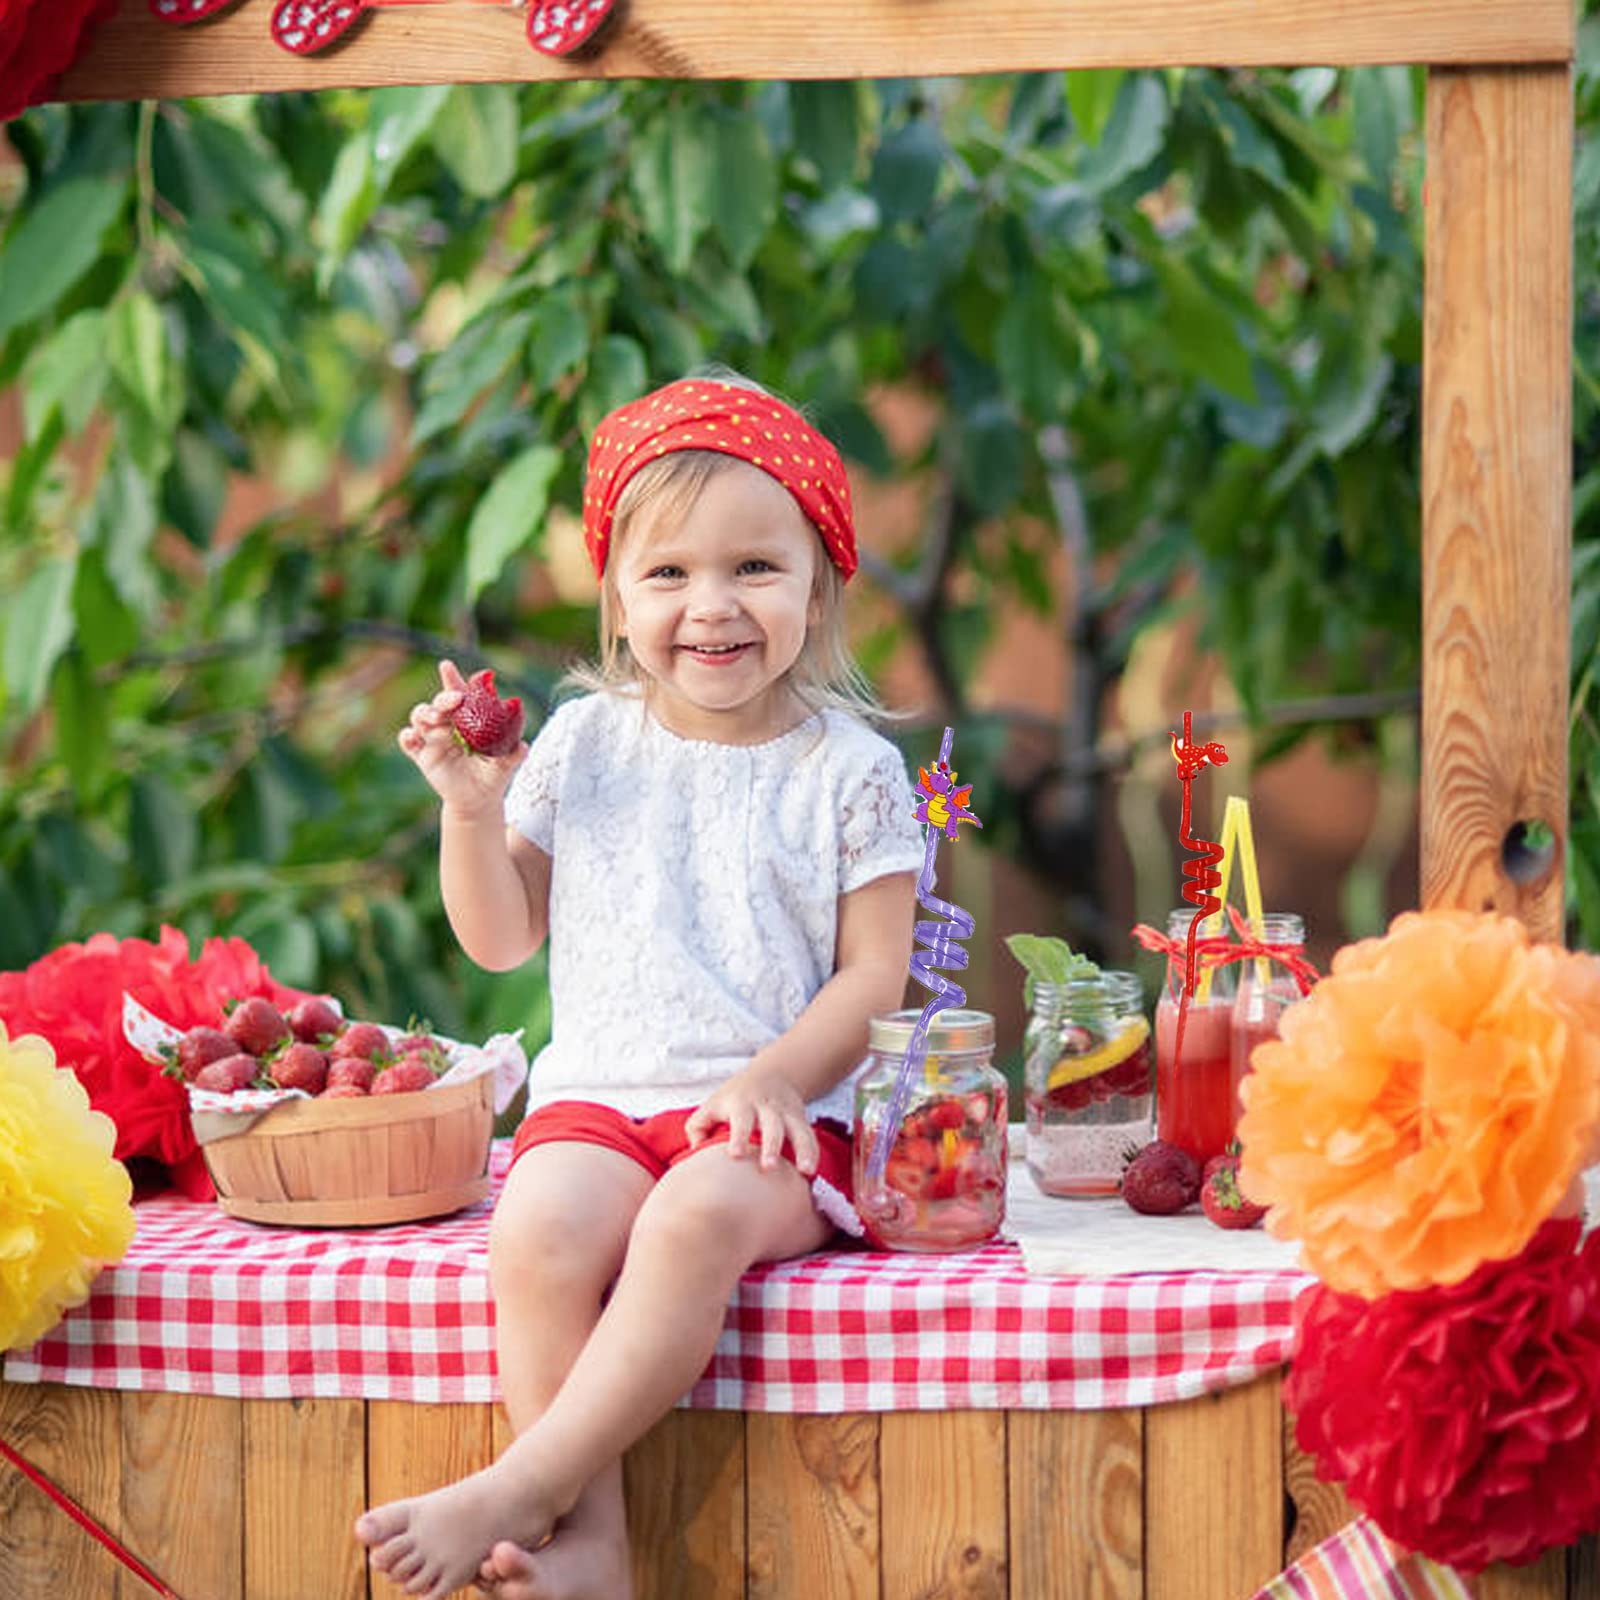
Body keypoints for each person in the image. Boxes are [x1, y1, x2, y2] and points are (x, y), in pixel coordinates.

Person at [356, 371, 926, 1599]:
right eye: (666, 573)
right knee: (539, 1229)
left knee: (690, 1223)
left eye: (754, 570)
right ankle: (594, 1549)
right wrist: (472, 810)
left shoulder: (851, 769)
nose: (709, 606)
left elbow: (876, 976)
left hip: (779, 1117)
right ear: (614, 594)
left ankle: (524, 1484)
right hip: (601, 1100)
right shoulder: (582, 743)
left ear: (821, 582)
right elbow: (501, 938)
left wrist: (773, 1076)